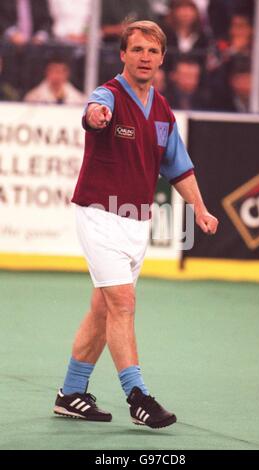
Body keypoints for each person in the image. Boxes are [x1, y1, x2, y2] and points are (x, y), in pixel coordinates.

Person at [53, 20, 218, 428]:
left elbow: (178, 167)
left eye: (152, 51)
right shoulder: (107, 94)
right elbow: (92, 113)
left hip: (135, 222)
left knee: (103, 308)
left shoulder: (162, 111)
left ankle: (71, 393)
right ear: (123, 54)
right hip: (99, 213)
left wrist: (199, 208)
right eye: (137, 49)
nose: (145, 57)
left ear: (162, 58)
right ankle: (138, 396)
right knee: (123, 303)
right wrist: (96, 115)